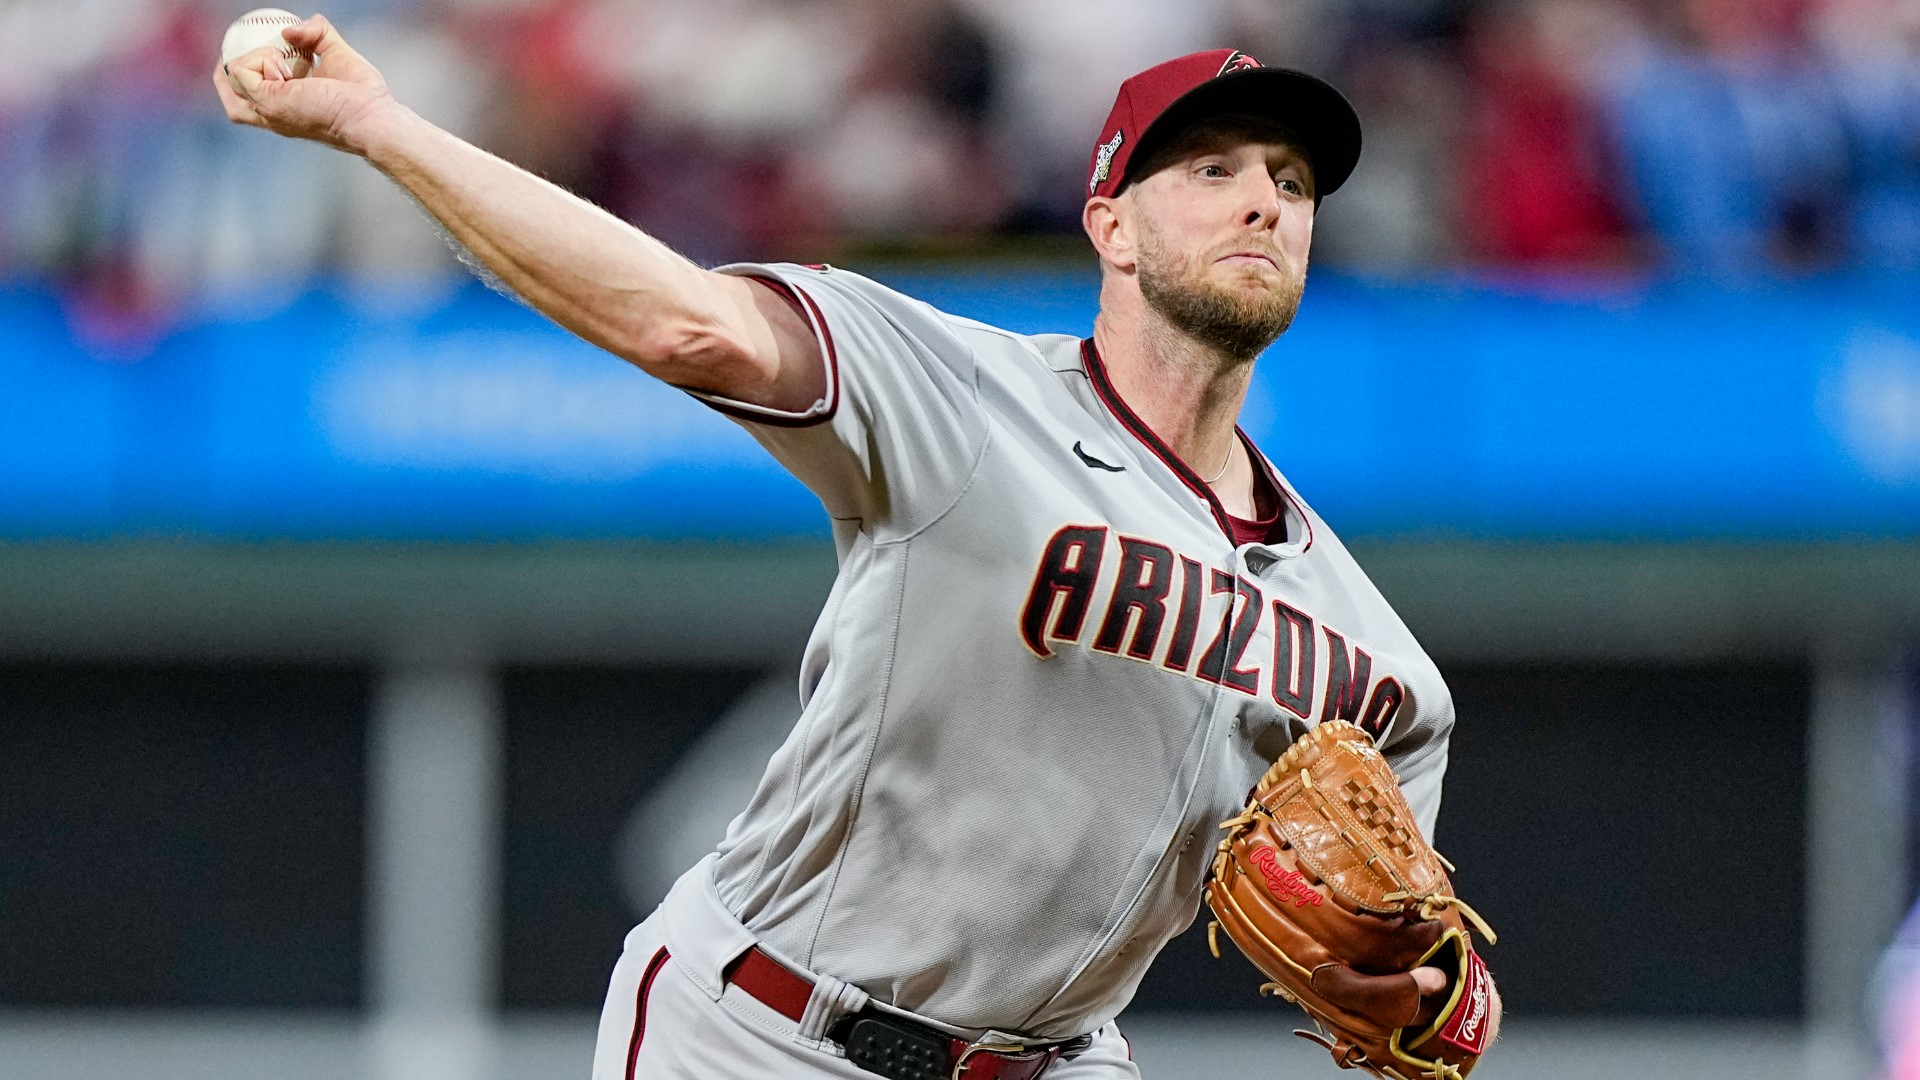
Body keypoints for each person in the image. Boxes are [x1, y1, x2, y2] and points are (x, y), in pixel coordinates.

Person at [216, 22, 1500, 1080]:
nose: (1264, 202)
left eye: (1289, 180)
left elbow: (1390, 967)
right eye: (1213, 170)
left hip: (1056, 1062)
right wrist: (375, 128)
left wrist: (1408, 985)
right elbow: (688, 327)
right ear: (1110, 225)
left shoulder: (1380, 665)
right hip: (764, 1031)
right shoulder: (956, 387)